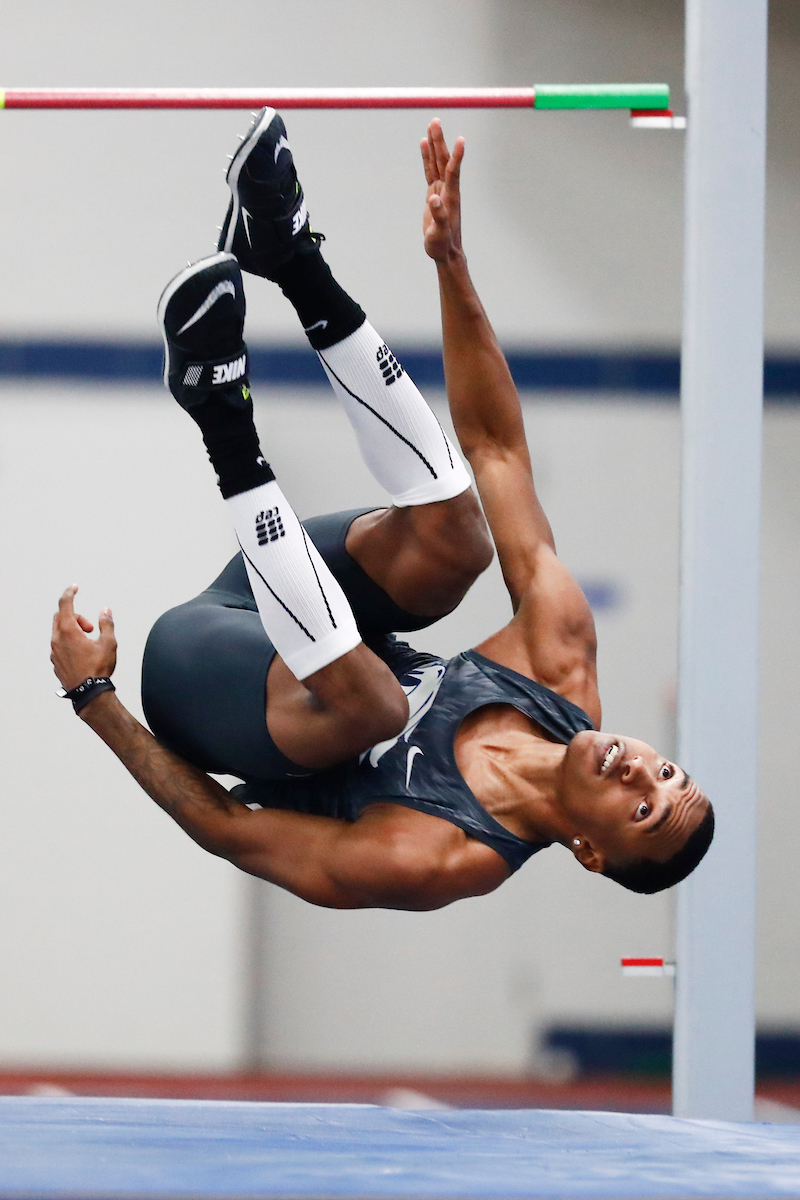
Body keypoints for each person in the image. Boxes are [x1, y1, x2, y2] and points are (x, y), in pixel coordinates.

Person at [51, 112, 713, 910]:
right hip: (278, 596)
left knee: (378, 707)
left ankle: (219, 410)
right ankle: (289, 253)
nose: (639, 771)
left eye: (643, 811)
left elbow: (229, 828)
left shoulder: (440, 857)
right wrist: (451, 263)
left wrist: (94, 698)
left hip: (199, 682)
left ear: (590, 852)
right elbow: (497, 450)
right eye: (665, 771)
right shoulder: (560, 662)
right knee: (458, 541)